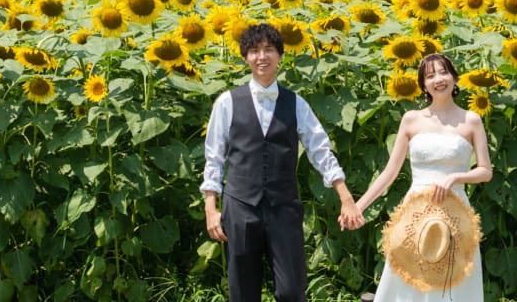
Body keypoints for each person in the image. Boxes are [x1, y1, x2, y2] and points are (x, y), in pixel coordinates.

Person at [201, 21, 364, 302]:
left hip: (283, 207)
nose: (261, 56)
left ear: (280, 56)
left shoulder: (297, 103)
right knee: (242, 292)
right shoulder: (226, 103)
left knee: (291, 290)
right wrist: (210, 209)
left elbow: (320, 150)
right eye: (254, 51)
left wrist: (345, 196)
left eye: (268, 50)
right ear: (245, 58)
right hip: (240, 207)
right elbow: (213, 158)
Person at [346, 53, 493, 302]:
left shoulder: (472, 120)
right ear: (423, 85)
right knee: (409, 282)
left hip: (455, 211)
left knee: (453, 285)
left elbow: (486, 171)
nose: (438, 79)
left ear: (454, 78)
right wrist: (358, 206)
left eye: (443, 72)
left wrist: (456, 177)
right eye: (430, 75)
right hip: (415, 211)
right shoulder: (411, 119)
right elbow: (390, 172)